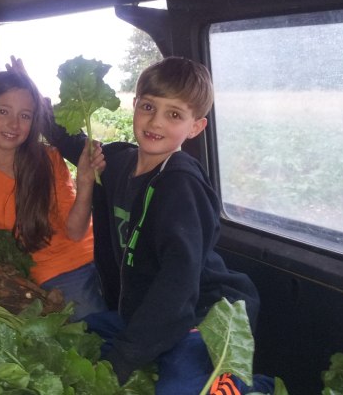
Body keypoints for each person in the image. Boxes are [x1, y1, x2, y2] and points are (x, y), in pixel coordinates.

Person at [54, 57, 273, 394]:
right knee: (72, 340)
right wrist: (39, 109)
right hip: (145, 312)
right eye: (148, 107)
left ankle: (251, 386)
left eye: (174, 115)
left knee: (179, 390)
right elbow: (77, 146)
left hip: (203, 315)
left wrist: (125, 358)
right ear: (135, 105)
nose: (155, 122)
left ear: (195, 127)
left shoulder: (181, 186)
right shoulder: (117, 162)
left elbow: (178, 285)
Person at [0, 68, 107, 321]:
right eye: (3, 111)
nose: (14, 124)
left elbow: (76, 231)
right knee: (100, 334)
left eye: (25, 116)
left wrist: (85, 181)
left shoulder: (49, 159)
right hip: (58, 273)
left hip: (99, 254)